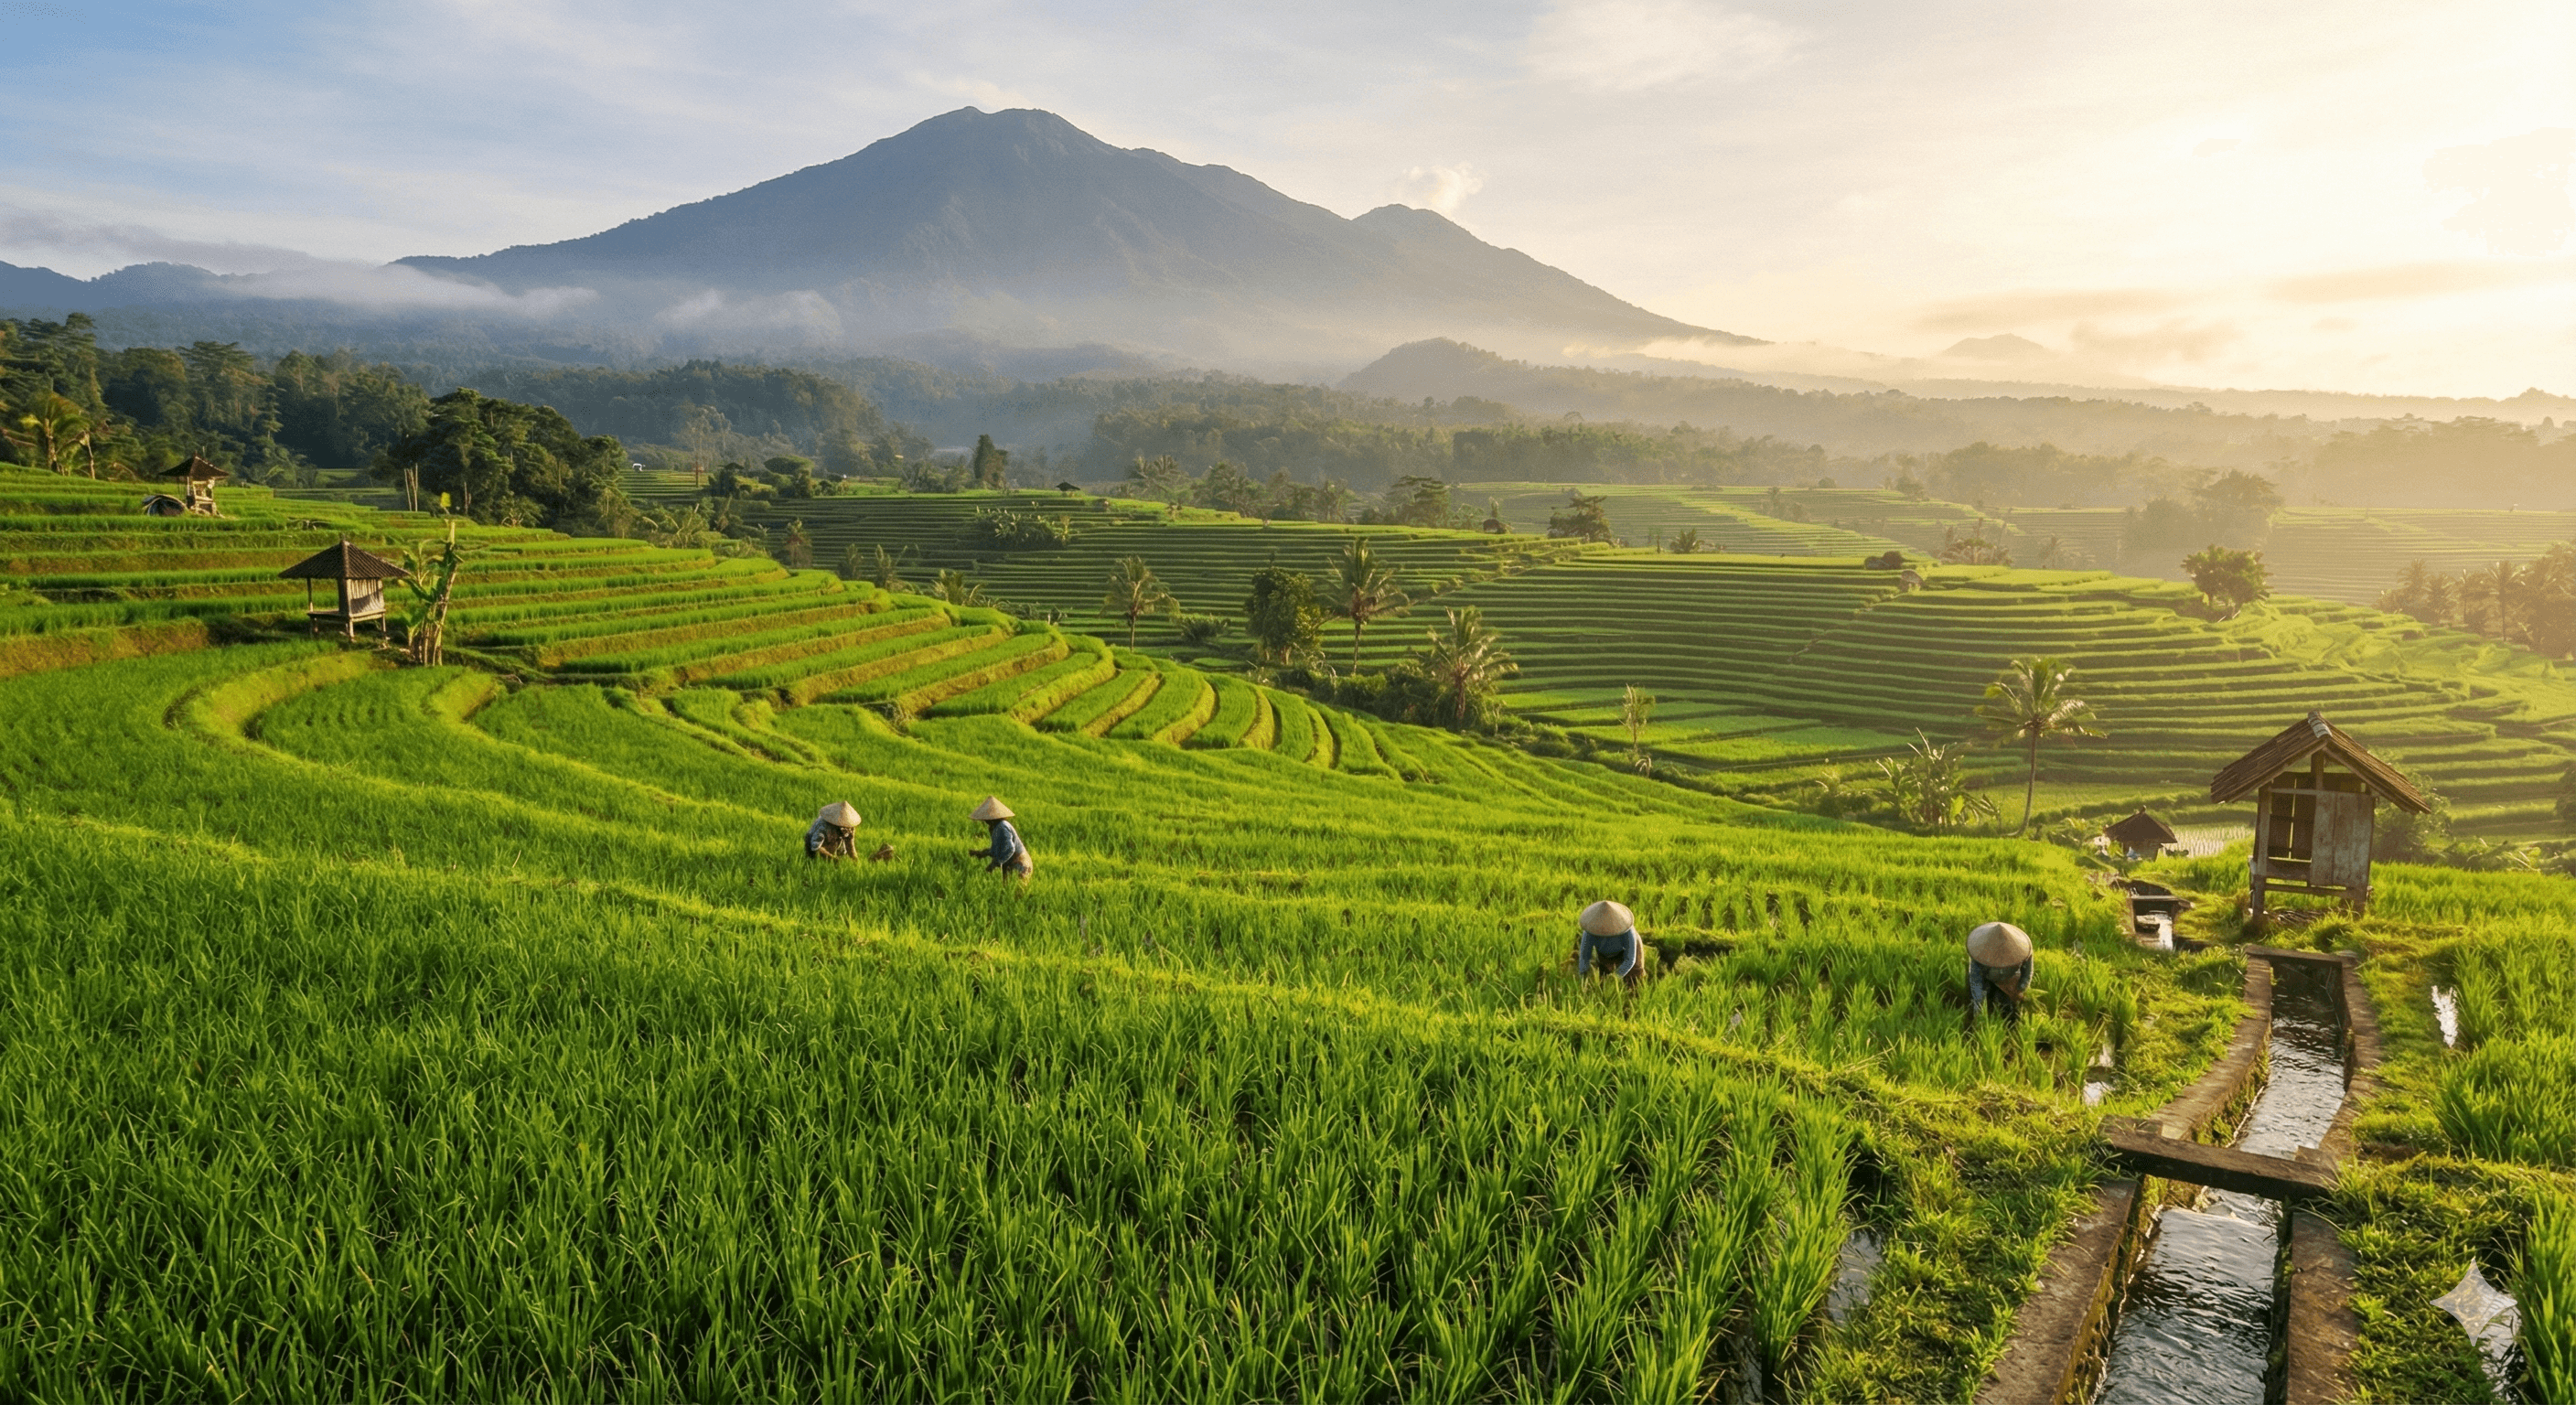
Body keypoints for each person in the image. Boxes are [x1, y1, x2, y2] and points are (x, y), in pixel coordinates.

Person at [1967, 920, 2035, 1019]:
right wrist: (1979, 1003)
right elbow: (1976, 978)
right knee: (1985, 1003)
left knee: (2008, 1007)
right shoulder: (1980, 955)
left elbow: (2027, 973)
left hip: (2009, 978)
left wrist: (2020, 988)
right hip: (1987, 977)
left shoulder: (2023, 953)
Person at [1574, 899, 1642, 986]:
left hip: (1624, 951)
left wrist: (1615, 977)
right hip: (1605, 952)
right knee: (1603, 974)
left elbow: (1630, 960)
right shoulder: (1590, 932)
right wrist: (1583, 976)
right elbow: (1585, 957)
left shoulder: (1628, 933)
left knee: (1634, 977)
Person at [971, 796, 1033, 883]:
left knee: (1015, 892)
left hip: (1020, 864)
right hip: (1009, 863)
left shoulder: (1002, 826)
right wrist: (982, 853)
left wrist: (996, 863)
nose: (985, 821)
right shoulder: (994, 828)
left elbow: (1010, 849)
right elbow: (996, 850)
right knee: (1006, 889)